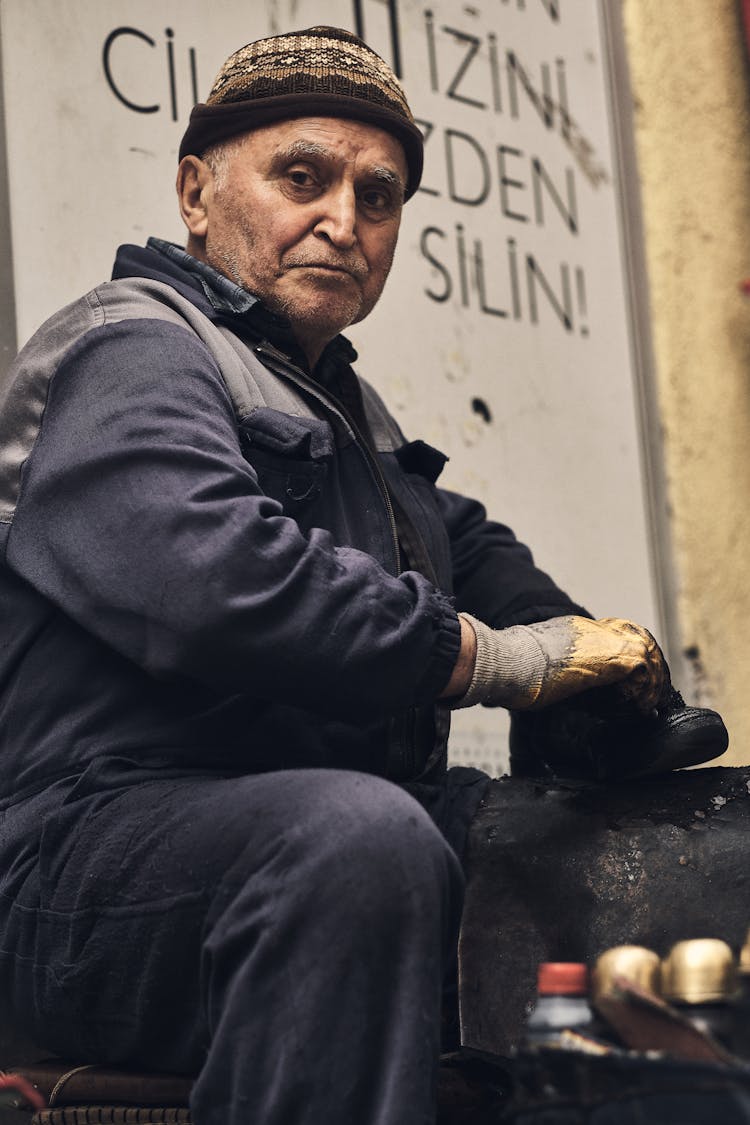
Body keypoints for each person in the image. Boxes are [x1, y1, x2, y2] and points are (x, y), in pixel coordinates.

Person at [0, 25, 722, 1125]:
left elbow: (474, 553)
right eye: (303, 177)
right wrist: (500, 663)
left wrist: (598, 672)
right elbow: (222, 581)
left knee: (696, 848)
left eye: (378, 197)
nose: (343, 220)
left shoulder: (345, 413)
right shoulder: (130, 349)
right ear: (197, 192)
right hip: (86, 871)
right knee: (356, 841)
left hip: (310, 840)